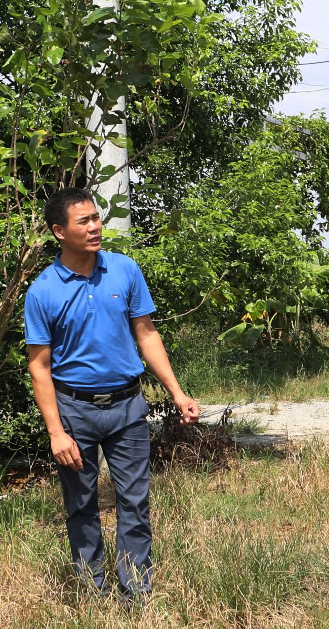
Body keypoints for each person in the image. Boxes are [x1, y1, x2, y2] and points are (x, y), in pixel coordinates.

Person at [24, 187, 200, 598]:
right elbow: (39, 367)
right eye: (83, 221)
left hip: (127, 406)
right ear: (59, 231)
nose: (95, 227)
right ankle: (92, 592)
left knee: (135, 503)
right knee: (81, 506)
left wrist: (176, 392)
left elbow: (147, 334)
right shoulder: (43, 291)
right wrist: (56, 432)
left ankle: (136, 592)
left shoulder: (124, 270)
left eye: (97, 218)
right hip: (74, 412)